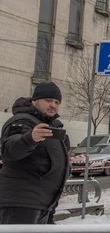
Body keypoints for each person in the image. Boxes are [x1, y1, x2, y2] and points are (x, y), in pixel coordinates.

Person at [0, 83, 70, 224]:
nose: (53, 105)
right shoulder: (22, 121)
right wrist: (30, 138)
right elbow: (9, 151)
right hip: (20, 203)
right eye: (48, 100)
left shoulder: (52, 125)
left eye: (56, 102)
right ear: (34, 101)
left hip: (44, 204)